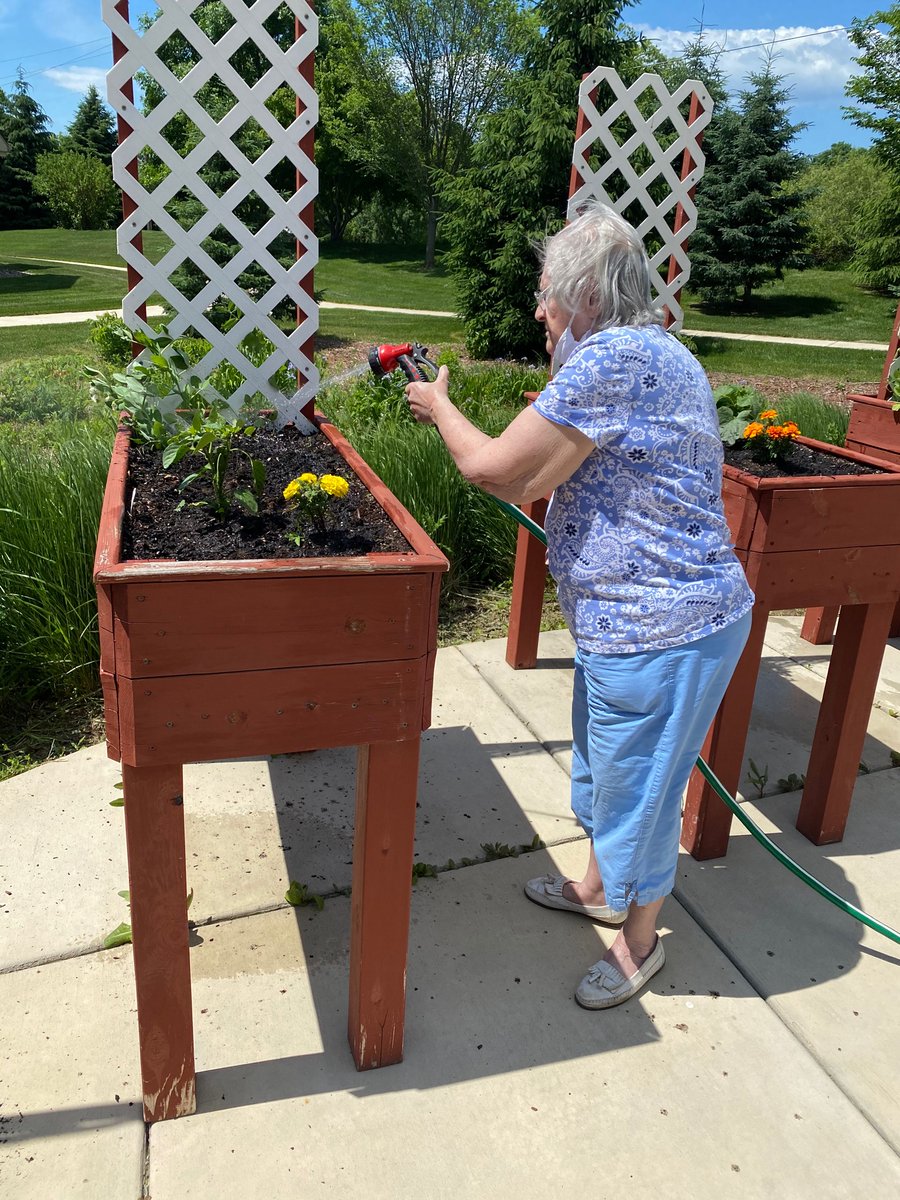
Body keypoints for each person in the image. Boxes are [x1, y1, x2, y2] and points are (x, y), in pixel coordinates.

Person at [404, 201, 754, 1009]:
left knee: (643, 793)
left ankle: (638, 944)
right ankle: (599, 886)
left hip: (663, 627)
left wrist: (440, 407)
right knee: (607, 769)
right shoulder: (655, 350)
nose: (537, 309)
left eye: (545, 292)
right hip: (635, 623)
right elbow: (562, 467)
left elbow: (498, 472)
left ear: (585, 295)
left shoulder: (613, 360)